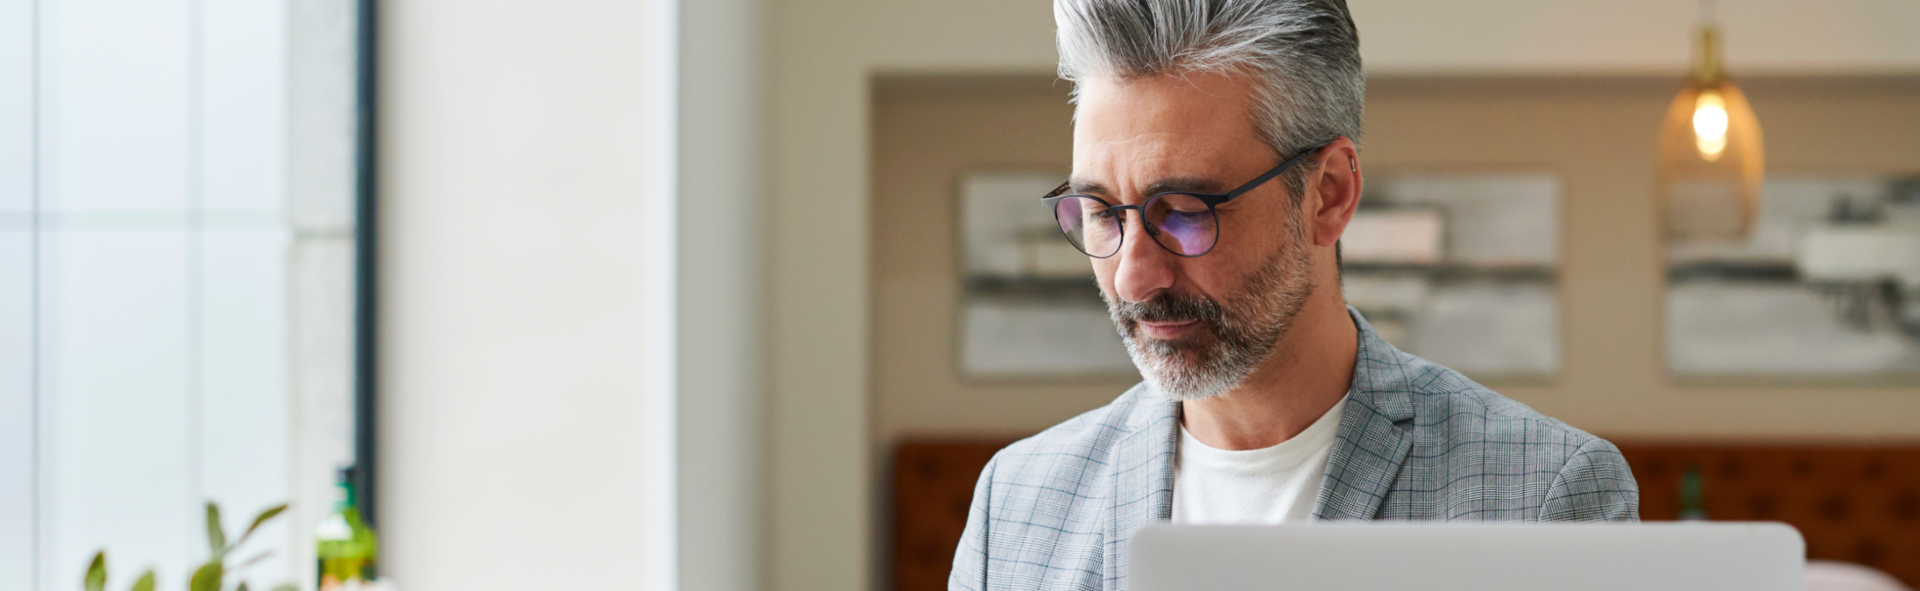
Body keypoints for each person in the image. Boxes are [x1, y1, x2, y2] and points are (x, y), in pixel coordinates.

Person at [949, 1, 1639, 589]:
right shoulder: (1014, 507)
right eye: (1102, 211)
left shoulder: (1544, 498)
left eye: (1185, 210)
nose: (1133, 276)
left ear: (1329, 193)